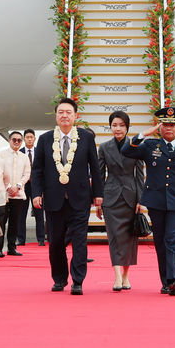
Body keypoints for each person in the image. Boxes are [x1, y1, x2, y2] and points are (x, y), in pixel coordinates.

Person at [122, 106, 175, 296]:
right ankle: (165, 282)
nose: (169, 128)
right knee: (160, 242)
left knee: (173, 239)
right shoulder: (150, 146)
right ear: (160, 127)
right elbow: (126, 151)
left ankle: (174, 279)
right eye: (165, 124)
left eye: (173, 125)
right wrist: (142, 134)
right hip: (156, 202)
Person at [31, 97, 103, 295]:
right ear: (56, 116)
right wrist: (36, 194)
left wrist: (98, 194)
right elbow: (37, 170)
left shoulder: (86, 137)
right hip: (53, 199)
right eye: (61, 112)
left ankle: (78, 280)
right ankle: (59, 278)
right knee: (55, 242)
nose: (64, 115)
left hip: (79, 198)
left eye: (68, 112)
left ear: (75, 116)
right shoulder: (45, 139)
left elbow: (95, 169)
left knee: (80, 241)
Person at [97, 111, 144, 291]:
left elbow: (140, 176)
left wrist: (141, 200)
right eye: (114, 125)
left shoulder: (136, 146)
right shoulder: (104, 147)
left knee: (129, 238)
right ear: (110, 127)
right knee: (114, 238)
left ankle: (126, 276)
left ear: (127, 127)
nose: (118, 129)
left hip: (131, 197)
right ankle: (117, 276)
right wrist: (99, 201)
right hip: (110, 197)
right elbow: (100, 176)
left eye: (121, 125)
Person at [0, 131, 30, 256]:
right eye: (14, 139)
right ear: (9, 140)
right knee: (1, 222)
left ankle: (12, 247)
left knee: (14, 222)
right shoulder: (1, 155)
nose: (16, 142)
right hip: (4, 194)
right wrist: (9, 187)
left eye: (19, 140)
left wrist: (18, 186)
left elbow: (27, 174)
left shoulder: (24, 157)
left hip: (18, 194)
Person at [18, 129, 45, 246]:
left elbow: (44, 170)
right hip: (23, 186)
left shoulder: (40, 152)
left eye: (31, 137)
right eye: (27, 137)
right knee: (21, 214)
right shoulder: (20, 152)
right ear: (24, 139)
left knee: (39, 213)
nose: (29, 139)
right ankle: (21, 239)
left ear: (34, 139)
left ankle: (41, 239)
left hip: (37, 186)